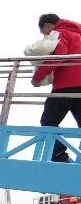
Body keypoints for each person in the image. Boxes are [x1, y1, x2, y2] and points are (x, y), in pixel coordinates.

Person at [31, 14, 81, 163]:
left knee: (48, 121)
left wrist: (37, 77)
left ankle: (59, 155)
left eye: (44, 33)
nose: (47, 37)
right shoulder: (78, 34)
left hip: (66, 85)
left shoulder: (60, 33)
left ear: (47, 25)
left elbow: (58, 57)